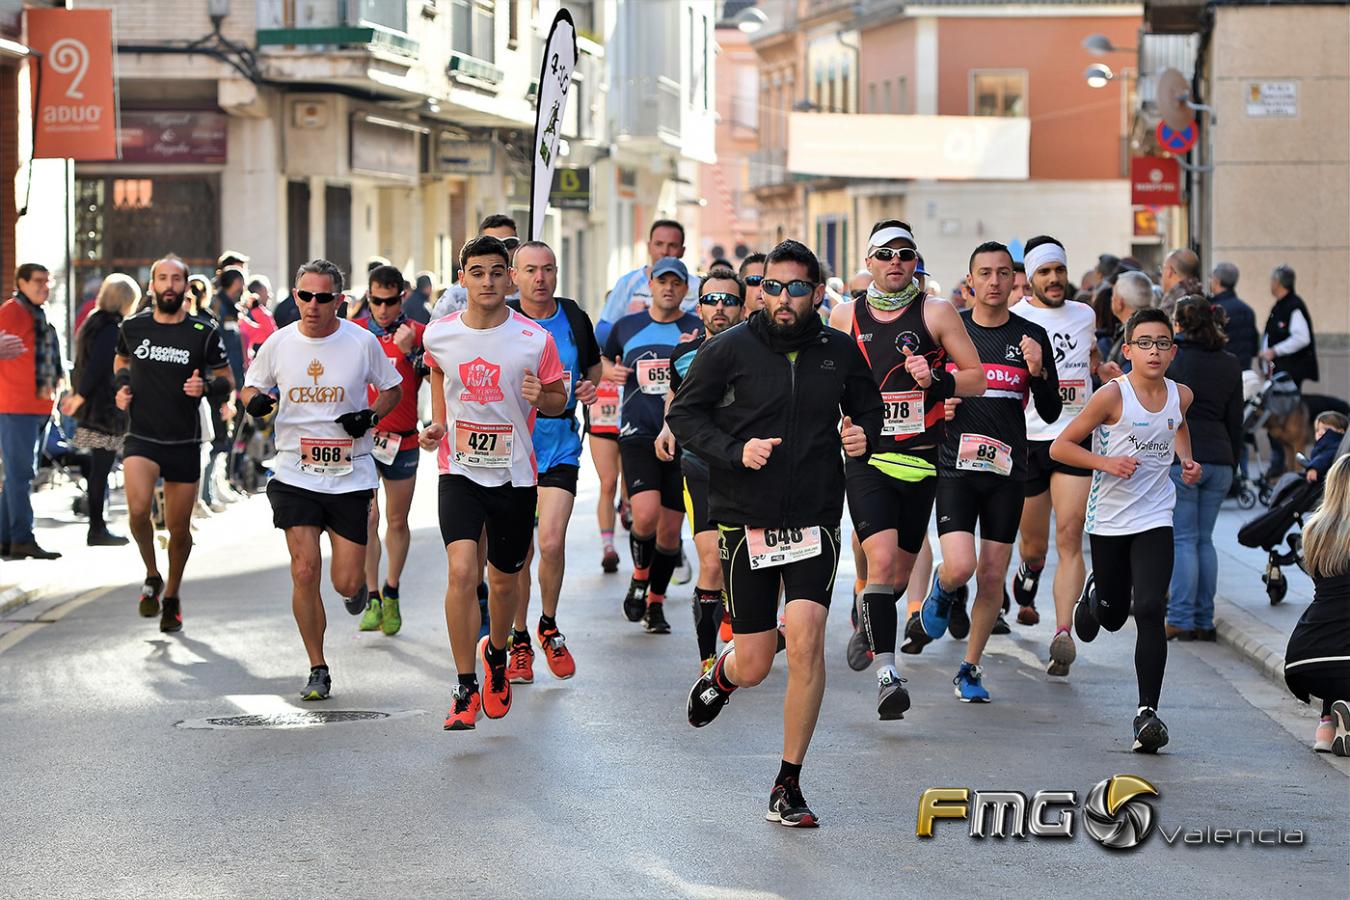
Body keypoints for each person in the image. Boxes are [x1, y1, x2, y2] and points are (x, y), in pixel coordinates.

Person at [673, 239, 883, 827]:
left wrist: (862, 434)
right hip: (747, 518)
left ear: (817, 293)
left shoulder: (837, 351)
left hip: (816, 515)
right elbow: (685, 417)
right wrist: (736, 451)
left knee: (809, 642)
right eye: (772, 286)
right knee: (758, 662)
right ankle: (722, 674)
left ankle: (788, 783)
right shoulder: (729, 349)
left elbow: (870, 410)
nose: (783, 298)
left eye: (796, 287)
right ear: (759, 291)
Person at [827, 221, 985, 720]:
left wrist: (936, 379)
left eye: (906, 253)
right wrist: (837, 429)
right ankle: (888, 676)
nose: (896, 261)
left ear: (916, 260)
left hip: (922, 459)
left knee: (894, 578)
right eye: (885, 254)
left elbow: (977, 380)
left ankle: (867, 619)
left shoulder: (935, 311)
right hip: (867, 458)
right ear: (869, 262)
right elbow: (821, 383)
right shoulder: (843, 314)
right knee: (879, 562)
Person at [418, 235, 567, 730]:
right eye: (477, 272)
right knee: (462, 572)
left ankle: (497, 657)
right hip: (457, 470)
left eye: (496, 272)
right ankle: (465, 685)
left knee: (504, 582)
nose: (487, 281)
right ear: (463, 278)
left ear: (509, 278)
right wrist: (438, 423)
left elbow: (557, 401)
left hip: (515, 477)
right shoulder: (438, 334)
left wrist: (540, 396)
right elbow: (438, 374)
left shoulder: (533, 339)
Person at [241, 258, 403, 700]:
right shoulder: (278, 343)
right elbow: (250, 387)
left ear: (339, 300)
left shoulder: (361, 342)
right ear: (295, 297)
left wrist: (370, 415)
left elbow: (393, 388)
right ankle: (317, 666)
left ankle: (356, 593)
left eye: (323, 297)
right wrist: (255, 403)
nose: (313, 305)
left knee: (346, 582)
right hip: (295, 470)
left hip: (350, 474)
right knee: (304, 569)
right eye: (304, 296)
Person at [1051, 307, 1202, 753]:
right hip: (1110, 521)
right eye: (1145, 343)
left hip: (1156, 516)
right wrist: (1106, 463)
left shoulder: (1182, 395)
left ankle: (1146, 713)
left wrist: (1187, 461)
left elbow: (1178, 426)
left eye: (1162, 344)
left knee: (1151, 607)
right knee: (1114, 616)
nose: (1154, 352)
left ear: (1173, 351)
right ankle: (1095, 596)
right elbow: (1061, 447)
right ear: (1129, 349)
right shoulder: (1112, 396)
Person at [916, 242, 1060, 703]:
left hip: (1008, 471)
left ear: (1014, 280)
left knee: (994, 573)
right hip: (955, 466)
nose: (995, 282)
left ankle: (970, 667)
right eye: (986, 273)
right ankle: (942, 588)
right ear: (970, 281)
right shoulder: (948, 332)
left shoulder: (1031, 335)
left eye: (1003, 273)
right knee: (961, 565)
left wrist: (1037, 372)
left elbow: (1053, 412)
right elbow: (919, 396)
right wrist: (942, 401)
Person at [115, 255, 235, 630]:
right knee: (137, 513)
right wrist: (121, 387)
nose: (169, 285)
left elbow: (226, 378)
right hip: (143, 436)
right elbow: (120, 361)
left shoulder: (203, 330)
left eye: (175, 279)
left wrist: (207, 387)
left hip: (184, 439)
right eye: (162, 278)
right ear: (152, 286)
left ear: (185, 286)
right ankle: (152, 574)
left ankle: (172, 596)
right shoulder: (133, 327)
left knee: (178, 528)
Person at [504, 240, 602, 685]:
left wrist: (586, 388)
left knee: (550, 543)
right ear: (514, 276)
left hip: (560, 441)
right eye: (530, 270)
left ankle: (548, 623)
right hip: (512, 446)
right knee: (520, 551)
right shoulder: (501, 320)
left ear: (556, 273)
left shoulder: (574, 317)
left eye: (547, 269)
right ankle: (520, 638)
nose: (540, 279)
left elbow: (594, 369)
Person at [1007, 236, 1099, 675]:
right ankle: (1028, 574)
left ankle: (1062, 633)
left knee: (1070, 533)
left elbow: (1092, 359)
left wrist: (1105, 372)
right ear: (1030, 279)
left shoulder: (1085, 315)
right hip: (1029, 440)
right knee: (1035, 545)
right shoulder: (1016, 318)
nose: (1055, 279)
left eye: (1059, 271)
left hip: (1074, 435)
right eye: (1045, 272)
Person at [603, 257, 702, 635]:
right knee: (643, 514)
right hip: (637, 432)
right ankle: (639, 578)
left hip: (682, 437)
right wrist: (608, 371)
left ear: (684, 288)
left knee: (670, 532)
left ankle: (655, 604)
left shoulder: (695, 327)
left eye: (676, 283)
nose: (669, 289)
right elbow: (598, 359)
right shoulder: (628, 326)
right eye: (662, 281)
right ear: (650, 283)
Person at [657, 267, 746, 672]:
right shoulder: (682, 354)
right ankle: (708, 658)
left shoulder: (762, 353)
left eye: (729, 299)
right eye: (712, 299)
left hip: (749, 468)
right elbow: (676, 401)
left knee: (741, 563)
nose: (720, 307)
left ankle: (741, 623)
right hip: (699, 466)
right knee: (711, 561)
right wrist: (665, 429)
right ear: (700, 306)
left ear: (743, 306)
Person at [351, 264, 428, 637]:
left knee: (396, 521)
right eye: (375, 301)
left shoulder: (416, 333)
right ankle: (372, 596)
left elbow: (435, 375)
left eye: (389, 301)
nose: (382, 309)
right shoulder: (355, 334)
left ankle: (392, 589)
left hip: (403, 440)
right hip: (364, 441)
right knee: (367, 519)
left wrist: (411, 352)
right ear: (368, 298)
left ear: (402, 298)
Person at [1162, 296, 1243, 642]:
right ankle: (1203, 618)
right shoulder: (1230, 362)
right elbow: (1236, 421)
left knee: (1183, 539)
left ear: (1178, 324)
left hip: (1185, 458)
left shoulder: (1174, 361)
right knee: (1204, 540)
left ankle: (1179, 616)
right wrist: (1234, 463)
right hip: (1221, 458)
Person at [62, 274, 140, 546]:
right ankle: (97, 528)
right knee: (100, 470)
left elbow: (85, 365)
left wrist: (78, 397)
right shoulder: (110, 328)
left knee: (98, 470)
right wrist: (79, 398)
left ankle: (98, 525)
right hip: (103, 410)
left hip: (93, 408)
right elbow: (96, 367)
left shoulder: (93, 322)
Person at [1283, 455, 1350, 755]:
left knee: (1337, 645)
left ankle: (1327, 725)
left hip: (1305, 656)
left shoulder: (1313, 530)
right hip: (1342, 656)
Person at [0, 263, 64, 560]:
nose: (44, 286)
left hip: (39, 406)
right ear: (21, 283)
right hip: (16, 405)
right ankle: (22, 538)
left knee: (20, 475)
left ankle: (6, 538)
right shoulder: (12, 311)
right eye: (38, 281)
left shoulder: (38, 313)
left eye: (47, 281)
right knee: (20, 476)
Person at [596, 219, 701, 342]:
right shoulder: (628, 282)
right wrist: (629, 319)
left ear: (682, 251)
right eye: (659, 244)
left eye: (672, 245)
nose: (665, 251)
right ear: (649, 247)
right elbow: (601, 334)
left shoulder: (698, 288)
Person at [432, 215, 521, 318]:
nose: (501, 249)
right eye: (490, 244)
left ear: (518, 246)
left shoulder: (532, 291)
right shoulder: (455, 296)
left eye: (509, 243)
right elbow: (434, 331)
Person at [1096, 270, 1155, 381]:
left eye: (1113, 296)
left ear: (1120, 303)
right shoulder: (1158, 328)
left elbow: (1134, 384)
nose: (1111, 300)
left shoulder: (1135, 335)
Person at [1208, 262, 1258, 370]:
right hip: (1244, 370)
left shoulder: (1214, 310)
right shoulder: (1247, 310)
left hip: (1221, 370)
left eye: (1211, 278)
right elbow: (1254, 348)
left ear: (1217, 280)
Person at [1158, 248, 1203, 317]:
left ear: (1169, 271)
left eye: (1163, 268)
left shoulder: (1171, 305)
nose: (1162, 273)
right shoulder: (1202, 299)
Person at [1306, 412, 1347, 483]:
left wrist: (1315, 467)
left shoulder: (1336, 445)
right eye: (1317, 430)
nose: (1320, 432)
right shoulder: (1321, 446)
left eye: (1326, 429)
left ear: (1341, 432)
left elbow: (1327, 456)